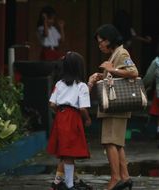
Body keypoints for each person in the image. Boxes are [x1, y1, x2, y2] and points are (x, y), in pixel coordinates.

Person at [87, 24, 138, 190]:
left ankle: (115, 178)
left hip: (116, 106)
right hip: (115, 106)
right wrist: (102, 75)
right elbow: (116, 76)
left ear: (109, 40)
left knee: (110, 142)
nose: (99, 45)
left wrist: (112, 69)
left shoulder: (122, 53)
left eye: (101, 41)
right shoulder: (115, 54)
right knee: (117, 143)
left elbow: (133, 72)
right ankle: (125, 177)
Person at [47, 52, 92, 190]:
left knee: (66, 151)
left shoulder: (59, 84)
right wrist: (87, 119)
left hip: (61, 116)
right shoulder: (81, 86)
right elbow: (83, 108)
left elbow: (52, 104)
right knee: (70, 152)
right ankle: (69, 185)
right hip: (73, 118)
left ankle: (65, 182)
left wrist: (60, 113)